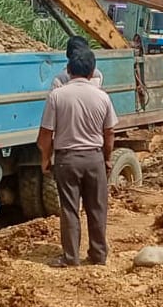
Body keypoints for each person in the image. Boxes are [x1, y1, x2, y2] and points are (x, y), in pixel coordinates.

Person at [38, 49, 118, 267]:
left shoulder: (57, 96)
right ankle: (98, 255)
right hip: (94, 158)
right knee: (97, 208)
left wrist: (46, 158)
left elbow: (45, 134)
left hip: (67, 160)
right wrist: (107, 158)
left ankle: (71, 257)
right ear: (92, 73)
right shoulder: (102, 97)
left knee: (70, 209)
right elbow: (109, 133)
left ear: (69, 70)